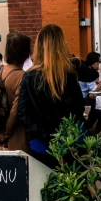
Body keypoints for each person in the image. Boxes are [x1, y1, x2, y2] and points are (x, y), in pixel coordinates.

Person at [18, 24, 85, 168]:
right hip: (71, 141)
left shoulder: (29, 76)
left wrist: (44, 136)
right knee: (75, 187)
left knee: (46, 186)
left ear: (39, 46)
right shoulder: (69, 73)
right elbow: (79, 108)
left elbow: (23, 113)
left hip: (42, 144)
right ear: (62, 45)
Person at [0, 32, 31, 152]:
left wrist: (0, 134)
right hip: (18, 136)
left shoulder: (2, 72)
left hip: (4, 132)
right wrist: (3, 136)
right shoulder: (22, 77)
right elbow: (16, 113)